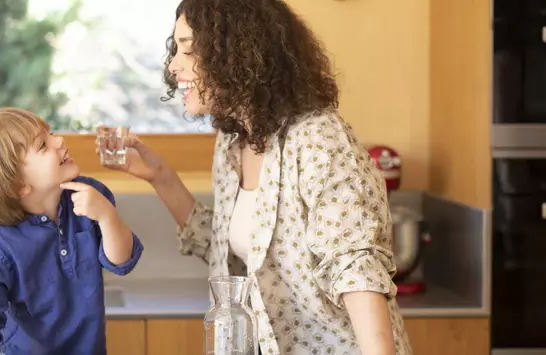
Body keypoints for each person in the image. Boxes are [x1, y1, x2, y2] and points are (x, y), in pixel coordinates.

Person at [106, 0, 413, 354]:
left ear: (237, 54)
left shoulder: (317, 139)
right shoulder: (232, 142)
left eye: (188, 50)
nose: (174, 65)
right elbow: (236, 252)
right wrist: (160, 176)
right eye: (176, 50)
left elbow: (355, 268)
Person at [0, 107, 144, 355]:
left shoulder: (90, 196)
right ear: (18, 185)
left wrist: (107, 216)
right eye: (43, 145)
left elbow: (122, 261)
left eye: (51, 133)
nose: (59, 140)